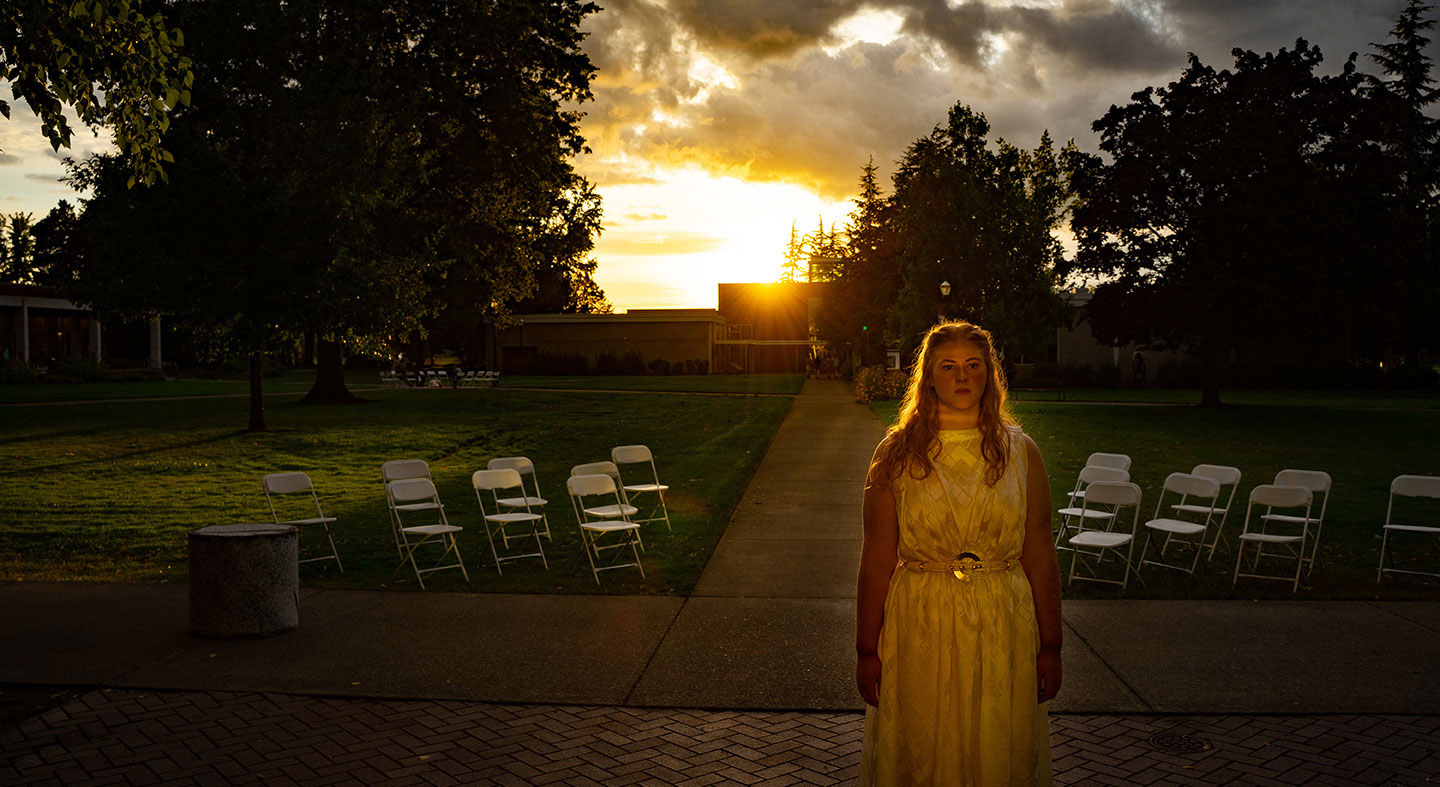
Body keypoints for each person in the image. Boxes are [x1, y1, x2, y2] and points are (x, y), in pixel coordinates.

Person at [856, 320, 1062, 786]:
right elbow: (875, 560)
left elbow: (1040, 553)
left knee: (998, 749)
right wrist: (866, 649)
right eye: (948, 367)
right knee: (922, 746)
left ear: (989, 374)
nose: (962, 377)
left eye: (973, 366)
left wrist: (1052, 644)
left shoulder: (1021, 452)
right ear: (928, 376)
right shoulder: (895, 454)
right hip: (919, 622)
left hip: (1003, 622)